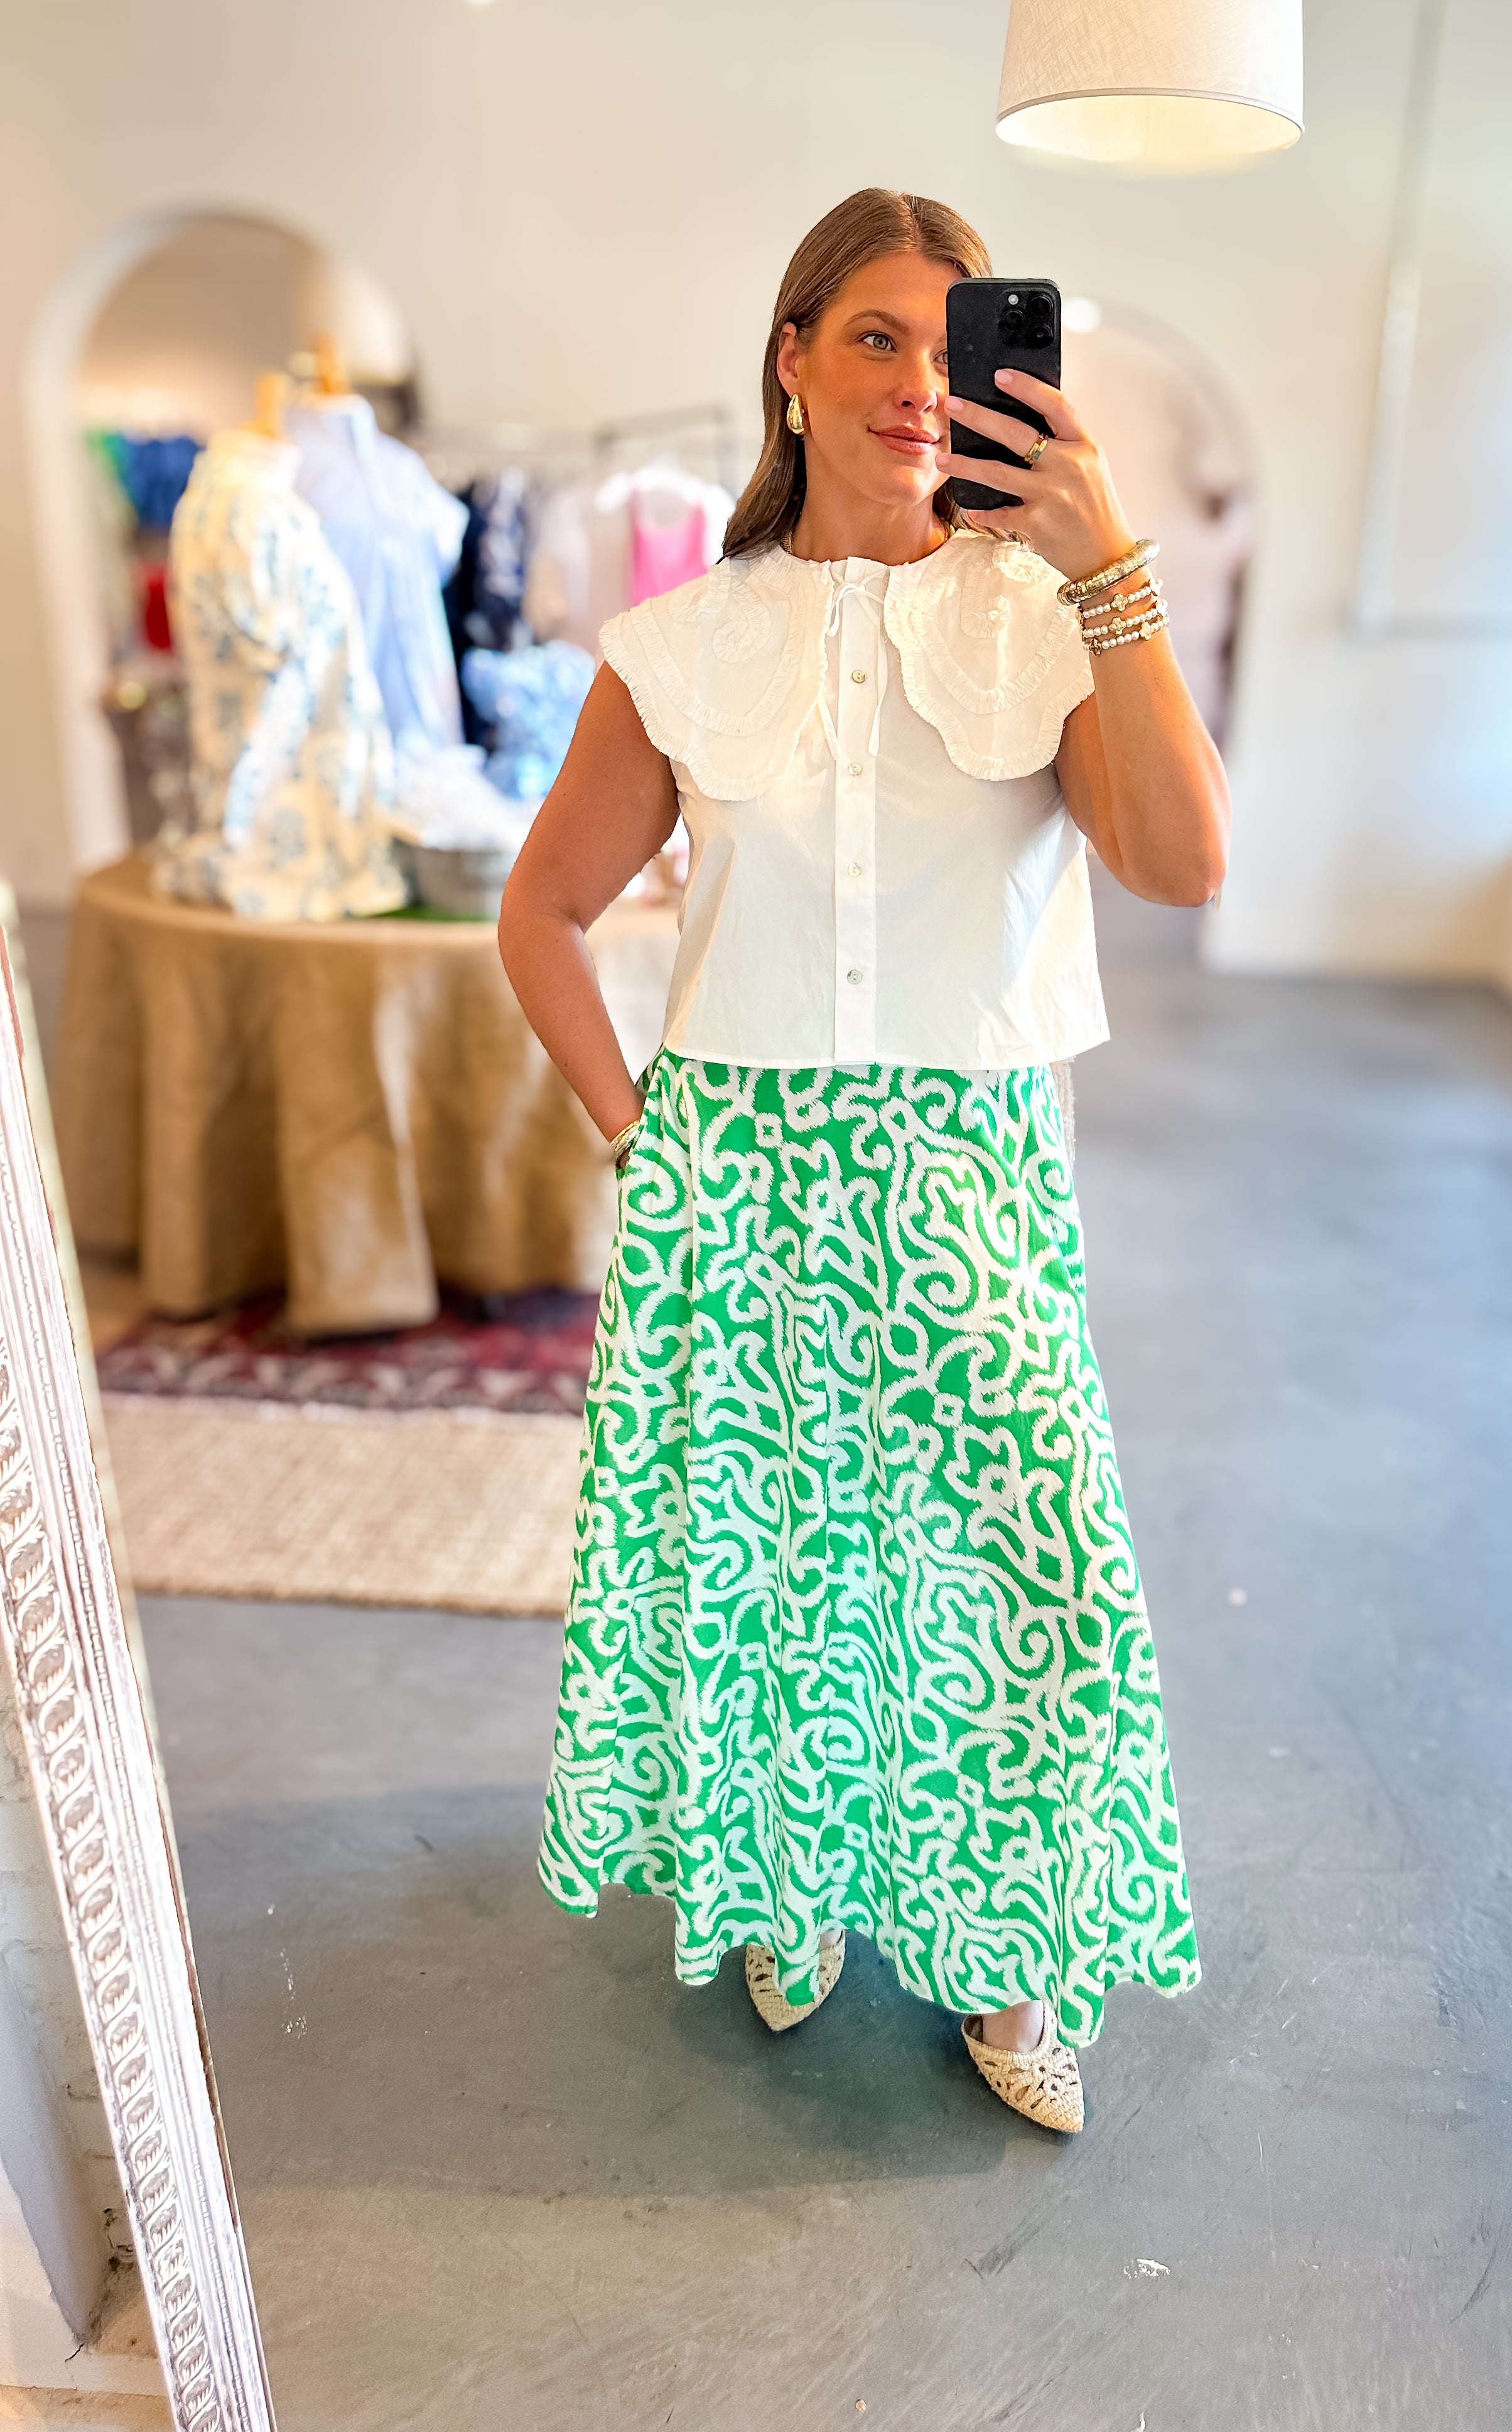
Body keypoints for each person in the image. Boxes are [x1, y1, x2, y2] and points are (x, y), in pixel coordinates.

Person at [499, 186, 1224, 2135]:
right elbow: (541, 915)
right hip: (734, 1178)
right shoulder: (680, 643)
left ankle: (1012, 1951)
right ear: (794, 361)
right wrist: (642, 1137)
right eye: (876, 336)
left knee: (1011, 1568)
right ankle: (786, 1879)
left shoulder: (1041, 619)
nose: (917, 381)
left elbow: (1183, 862)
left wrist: (1107, 564)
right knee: (774, 1575)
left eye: (950, 342)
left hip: (966, 1164)